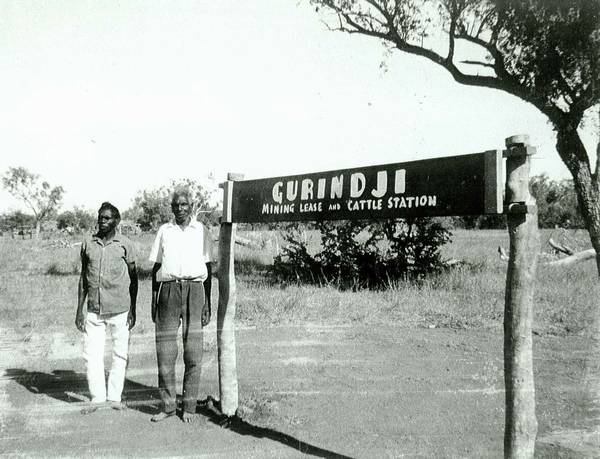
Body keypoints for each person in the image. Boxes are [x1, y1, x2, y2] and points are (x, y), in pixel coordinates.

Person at [149, 189, 213, 422]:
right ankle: (167, 406)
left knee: (193, 351)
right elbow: (156, 267)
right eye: (176, 205)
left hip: (195, 290)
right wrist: (154, 300)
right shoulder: (164, 231)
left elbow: (209, 267)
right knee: (165, 351)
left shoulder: (202, 231)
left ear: (191, 206)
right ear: (172, 207)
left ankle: (189, 407)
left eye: (184, 204)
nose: (180, 209)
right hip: (168, 290)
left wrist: (208, 302)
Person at [75, 202, 138, 414]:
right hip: (94, 309)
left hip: (120, 308)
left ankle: (114, 397)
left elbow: (134, 278)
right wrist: (79, 310)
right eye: (100, 217)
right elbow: (83, 278)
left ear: (116, 221)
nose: (102, 221)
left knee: (120, 354)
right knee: (92, 355)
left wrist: (133, 309)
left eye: (107, 218)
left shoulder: (125, 244)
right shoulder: (88, 244)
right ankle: (97, 398)